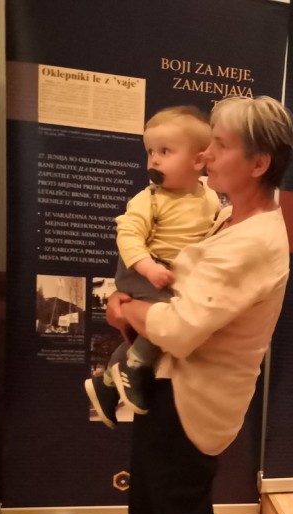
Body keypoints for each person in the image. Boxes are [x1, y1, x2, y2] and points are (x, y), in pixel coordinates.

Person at [105, 95, 293, 514]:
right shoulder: (231, 219)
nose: (205, 153)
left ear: (259, 162)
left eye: (220, 144)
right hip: (171, 389)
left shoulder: (255, 240)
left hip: (193, 403)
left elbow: (182, 329)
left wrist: (125, 307)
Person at [86, 106, 221, 425]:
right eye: (150, 152)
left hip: (172, 273)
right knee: (166, 316)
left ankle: (107, 385)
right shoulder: (149, 199)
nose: (154, 160)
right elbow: (128, 234)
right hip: (143, 270)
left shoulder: (210, 198)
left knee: (165, 317)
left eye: (165, 151)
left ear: (198, 161)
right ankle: (134, 366)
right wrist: (147, 267)